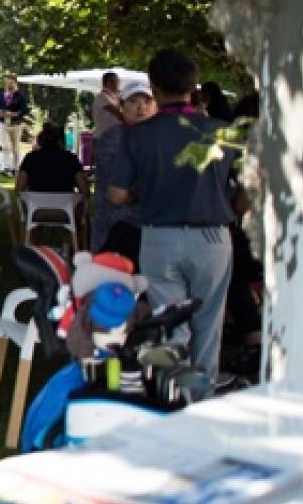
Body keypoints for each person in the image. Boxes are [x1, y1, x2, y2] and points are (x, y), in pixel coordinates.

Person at [99, 49, 242, 377]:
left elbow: (116, 194)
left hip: (159, 236)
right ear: (194, 86)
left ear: (154, 87)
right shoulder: (221, 132)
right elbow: (250, 184)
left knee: (170, 324)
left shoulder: (138, 135)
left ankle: (172, 390)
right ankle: (201, 391)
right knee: (209, 325)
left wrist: (140, 193)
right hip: (212, 236)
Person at [91, 86, 156, 250]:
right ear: (122, 105)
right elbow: (113, 185)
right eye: (133, 101)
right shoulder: (112, 138)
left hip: (151, 227)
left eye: (147, 101)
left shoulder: (160, 137)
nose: (141, 107)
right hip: (116, 224)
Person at [14, 124, 85, 200]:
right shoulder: (71, 158)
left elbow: (19, 189)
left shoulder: (30, 158)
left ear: (39, 141)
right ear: (60, 141)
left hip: (36, 205)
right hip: (66, 205)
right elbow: (84, 190)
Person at [0, 75, 32, 172]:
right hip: (3, 124)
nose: (9, 85)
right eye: (7, 83)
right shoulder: (1, 95)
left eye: (11, 83)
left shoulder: (21, 97)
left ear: (15, 83)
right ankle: (7, 167)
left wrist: (13, 114)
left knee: (15, 147)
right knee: (5, 146)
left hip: (16, 124)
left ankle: (16, 168)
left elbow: (24, 111)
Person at [90, 71, 125, 140]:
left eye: (118, 81)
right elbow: (119, 115)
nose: (117, 84)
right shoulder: (102, 97)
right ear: (106, 83)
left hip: (113, 137)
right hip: (104, 138)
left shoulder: (116, 97)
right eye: (113, 81)